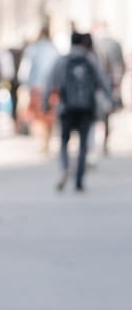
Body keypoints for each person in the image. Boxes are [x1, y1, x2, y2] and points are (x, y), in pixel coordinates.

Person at [44, 32, 111, 192]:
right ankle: (79, 179)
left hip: (66, 108)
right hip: (86, 108)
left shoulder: (62, 60)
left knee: (64, 142)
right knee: (82, 146)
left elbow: (50, 82)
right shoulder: (90, 60)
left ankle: (65, 168)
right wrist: (111, 99)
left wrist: (45, 103)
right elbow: (102, 81)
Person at [17, 27, 60, 153]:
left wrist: (23, 85)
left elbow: (24, 70)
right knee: (49, 115)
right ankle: (47, 142)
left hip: (36, 87)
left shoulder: (32, 50)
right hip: (52, 87)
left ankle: (41, 142)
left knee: (38, 116)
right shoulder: (54, 50)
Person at [92, 20, 126, 154]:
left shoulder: (95, 43)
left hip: (97, 84)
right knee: (106, 113)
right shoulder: (115, 44)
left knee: (96, 112)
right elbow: (120, 65)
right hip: (110, 83)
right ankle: (104, 141)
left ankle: (94, 142)